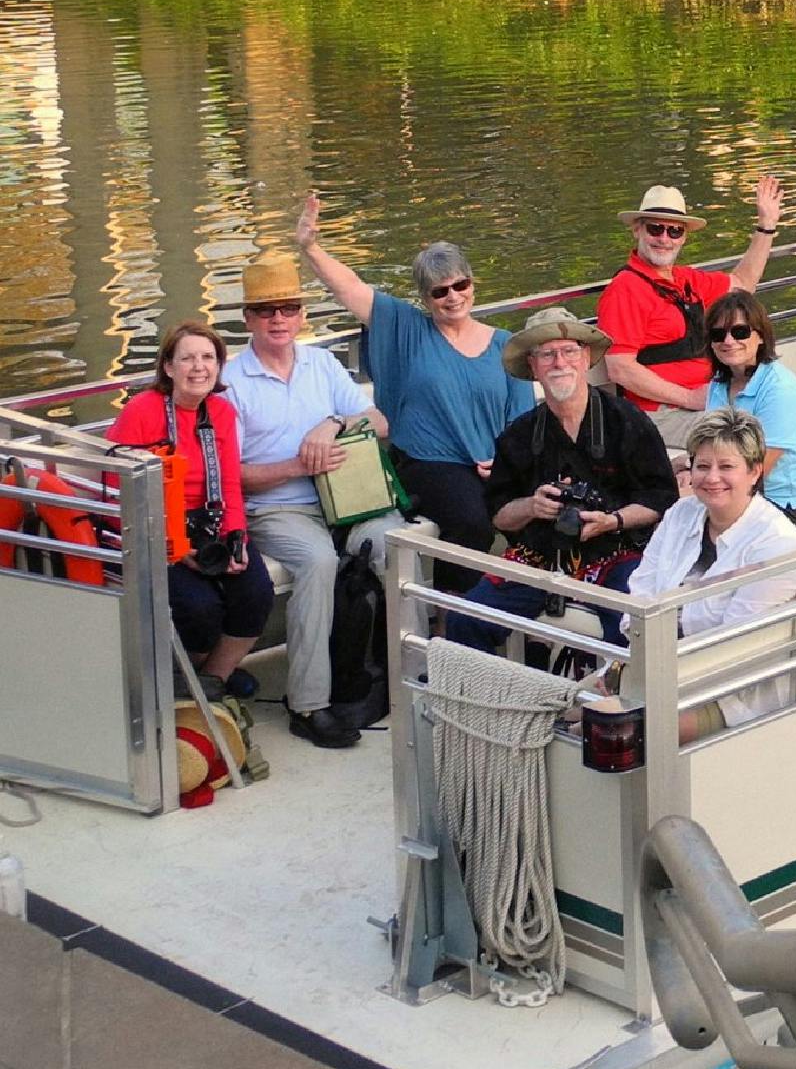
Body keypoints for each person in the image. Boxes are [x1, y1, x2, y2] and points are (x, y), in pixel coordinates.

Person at [295, 194, 532, 592]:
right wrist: (311, 247)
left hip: (495, 462)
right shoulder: (408, 330)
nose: (453, 296)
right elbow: (350, 288)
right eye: (440, 291)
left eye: (461, 285)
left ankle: (532, 618)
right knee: (472, 522)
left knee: (535, 515)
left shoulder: (506, 345)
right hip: (429, 461)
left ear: (473, 285)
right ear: (425, 299)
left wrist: (503, 463)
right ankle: (450, 616)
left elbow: (522, 421)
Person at [223, 250, 402, 750]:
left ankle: (396, 679)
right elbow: (232, 476)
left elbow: (379, 422)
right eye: (265, 310)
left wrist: (335, 424)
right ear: (247, 319)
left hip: (344, 499)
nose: (278, 319)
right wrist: (297, 467)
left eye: (287, 307)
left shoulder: (321, 363)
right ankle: (309, 704)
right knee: (319, 562)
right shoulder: (232, 384)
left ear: (302, 314)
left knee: (395, 544)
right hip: (276, 507)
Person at [452, 308, 679, 654]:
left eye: (569, 351)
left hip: (618, 552)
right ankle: (479, 703)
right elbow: (498, 514)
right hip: (539, 558)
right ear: (532, 365)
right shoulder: (519, 434)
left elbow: (662, 497)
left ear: (585, 357)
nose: (560, 362)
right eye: (547, 354)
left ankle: (619, 705)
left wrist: (612, 520)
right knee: (466, 619)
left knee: (638, 629)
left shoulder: (625, 420)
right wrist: (532, 506)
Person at [107, 322, 276, 714]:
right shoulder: (142, 411)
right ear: (168, 366)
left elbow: (231, 482)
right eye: (187, 358)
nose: (198, 367)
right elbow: (115, 487)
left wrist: (236, 538)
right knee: (198, 608)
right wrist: (174, 544)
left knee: (256, 593)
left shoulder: (221, 411)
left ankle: (211, 681)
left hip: (212, 524)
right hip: (154, 530)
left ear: (218, 365)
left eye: (208, 357)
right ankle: (198, 682)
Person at [629, 409, 796, 740]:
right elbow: (641, 591)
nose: (712, 478)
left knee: (624, 731)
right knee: (568, 710)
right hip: (657, 667)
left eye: (726, 467)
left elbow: (733, 649)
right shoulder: (681, 513)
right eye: (702, 466)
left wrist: (645, 681)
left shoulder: (778, 544)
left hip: (736, 692)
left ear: (755, 472)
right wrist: (633, 668)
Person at [596, 178, 784, 451]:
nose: (664, 238)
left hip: (709, 400)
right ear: (637, 230)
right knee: (743, 438)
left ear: (684, 237)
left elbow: (743, 285)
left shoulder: (686, 280)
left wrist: (766, 225)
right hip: (661, 413)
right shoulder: (625, 289)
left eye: (674, 231)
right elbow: (620, 368)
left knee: (779, 407)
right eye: (655, 228)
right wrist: (690, 398)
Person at [703, 290, 796, 523]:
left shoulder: (780, 389)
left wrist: (696, 488)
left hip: (780, 501)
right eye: (718, 334)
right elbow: (710, 444)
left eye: (740, 332)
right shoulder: (718, 383)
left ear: (761, 337)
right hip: (732, 487)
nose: (728, 341)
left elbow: (759, 468)